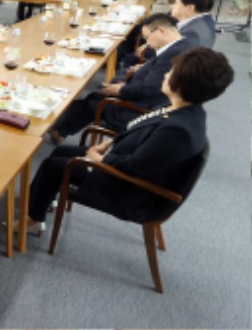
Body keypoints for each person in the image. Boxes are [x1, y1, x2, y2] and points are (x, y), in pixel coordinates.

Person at [24, 48, 234, 235]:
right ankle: (41, 201)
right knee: (60, 153)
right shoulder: (184, 108)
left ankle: (33, 219)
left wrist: (99, 160)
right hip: (123, 159)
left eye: (171, 72)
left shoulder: (179, 131)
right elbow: (139, 128)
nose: (166, 75)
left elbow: (136, 168)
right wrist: (108, 144)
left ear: (181, 84)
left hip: (129, 189)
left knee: (52, 166)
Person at [49, 14, 191, 143]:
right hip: (149, 100)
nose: (147, 43)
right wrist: (142, 68)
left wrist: (121, 90)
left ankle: (56, 127)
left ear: (161, 31)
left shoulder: (172, 54)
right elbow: (157, 77)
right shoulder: (181, 46)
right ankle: (59, 129)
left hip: (140, 109)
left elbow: (149, 89)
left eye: (147, 38)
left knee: (93, 102)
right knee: (94, 95)